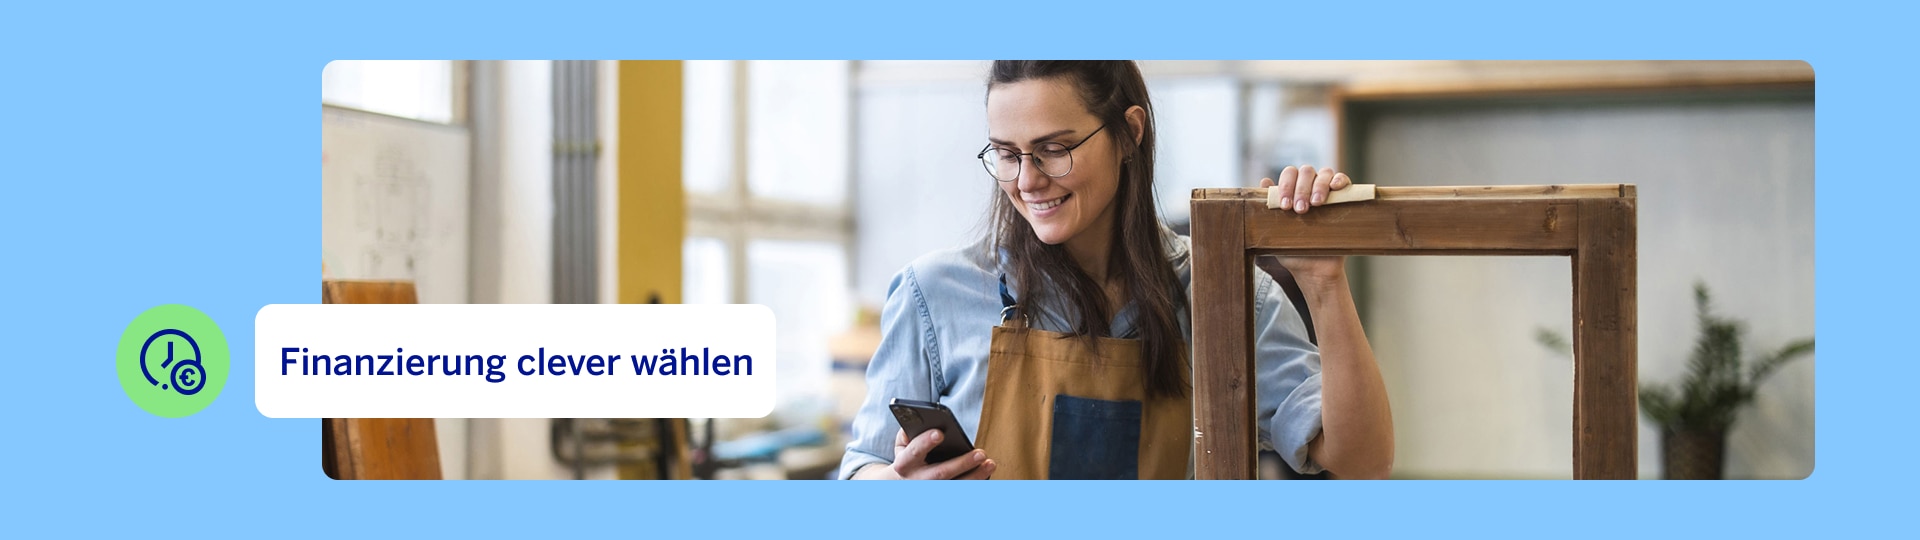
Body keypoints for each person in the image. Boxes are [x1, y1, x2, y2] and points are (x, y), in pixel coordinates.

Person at [840, 61, 1393, 480]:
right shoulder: (933, 294)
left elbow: (1361, 461)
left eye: (1054, 149)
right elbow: (860, 465)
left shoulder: (1225, 296)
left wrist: (1323, 284)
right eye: (1006, 153)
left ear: (1130, 133)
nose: (1027, 181)